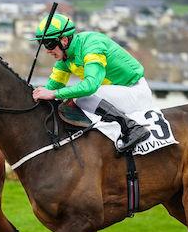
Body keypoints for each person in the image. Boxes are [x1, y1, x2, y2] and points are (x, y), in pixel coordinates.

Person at [30, 14, 151, 152]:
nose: (47, 50)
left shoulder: (92, 45)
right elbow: (51, 88)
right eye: (42, 44)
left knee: (81, 97)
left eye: (48, 43)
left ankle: (132, 128)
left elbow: (90, 86)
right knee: (68, 100)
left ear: (63, 40)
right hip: (115, 94)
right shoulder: (65, 59)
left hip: (135, 92)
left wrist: (54, 93)